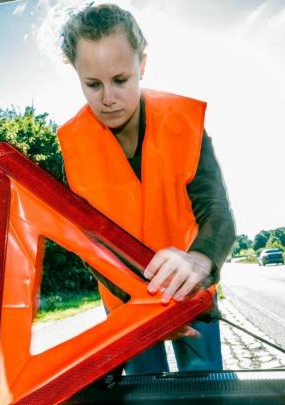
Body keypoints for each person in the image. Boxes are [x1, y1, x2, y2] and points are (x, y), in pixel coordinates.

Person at [57, 3, 235, 374]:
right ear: (76, 74)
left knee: (206, 398)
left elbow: (217, 211)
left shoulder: (185, 123)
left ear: (142, 64)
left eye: (120, 79)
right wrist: (142, 302)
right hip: (125, 304)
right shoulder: (72, 146)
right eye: (93, 84)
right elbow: (88, 244)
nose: (108, 98)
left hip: (191, 291)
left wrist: (200, 262)